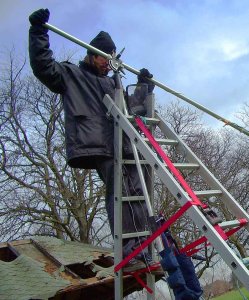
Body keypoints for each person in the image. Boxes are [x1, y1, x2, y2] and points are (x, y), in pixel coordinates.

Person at [28, 8, 159, 273]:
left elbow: (133, 109)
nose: (105, 62)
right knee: (121, 196)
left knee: (141, 196)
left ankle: (146, 253)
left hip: (125, 144)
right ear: (89, 54)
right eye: (101, 56)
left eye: (110, 58)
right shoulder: (72, 75)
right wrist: (38, 32)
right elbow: (43, 66)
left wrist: (143, 86)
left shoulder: (114, 84)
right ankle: (131, 254)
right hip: (99, 144)